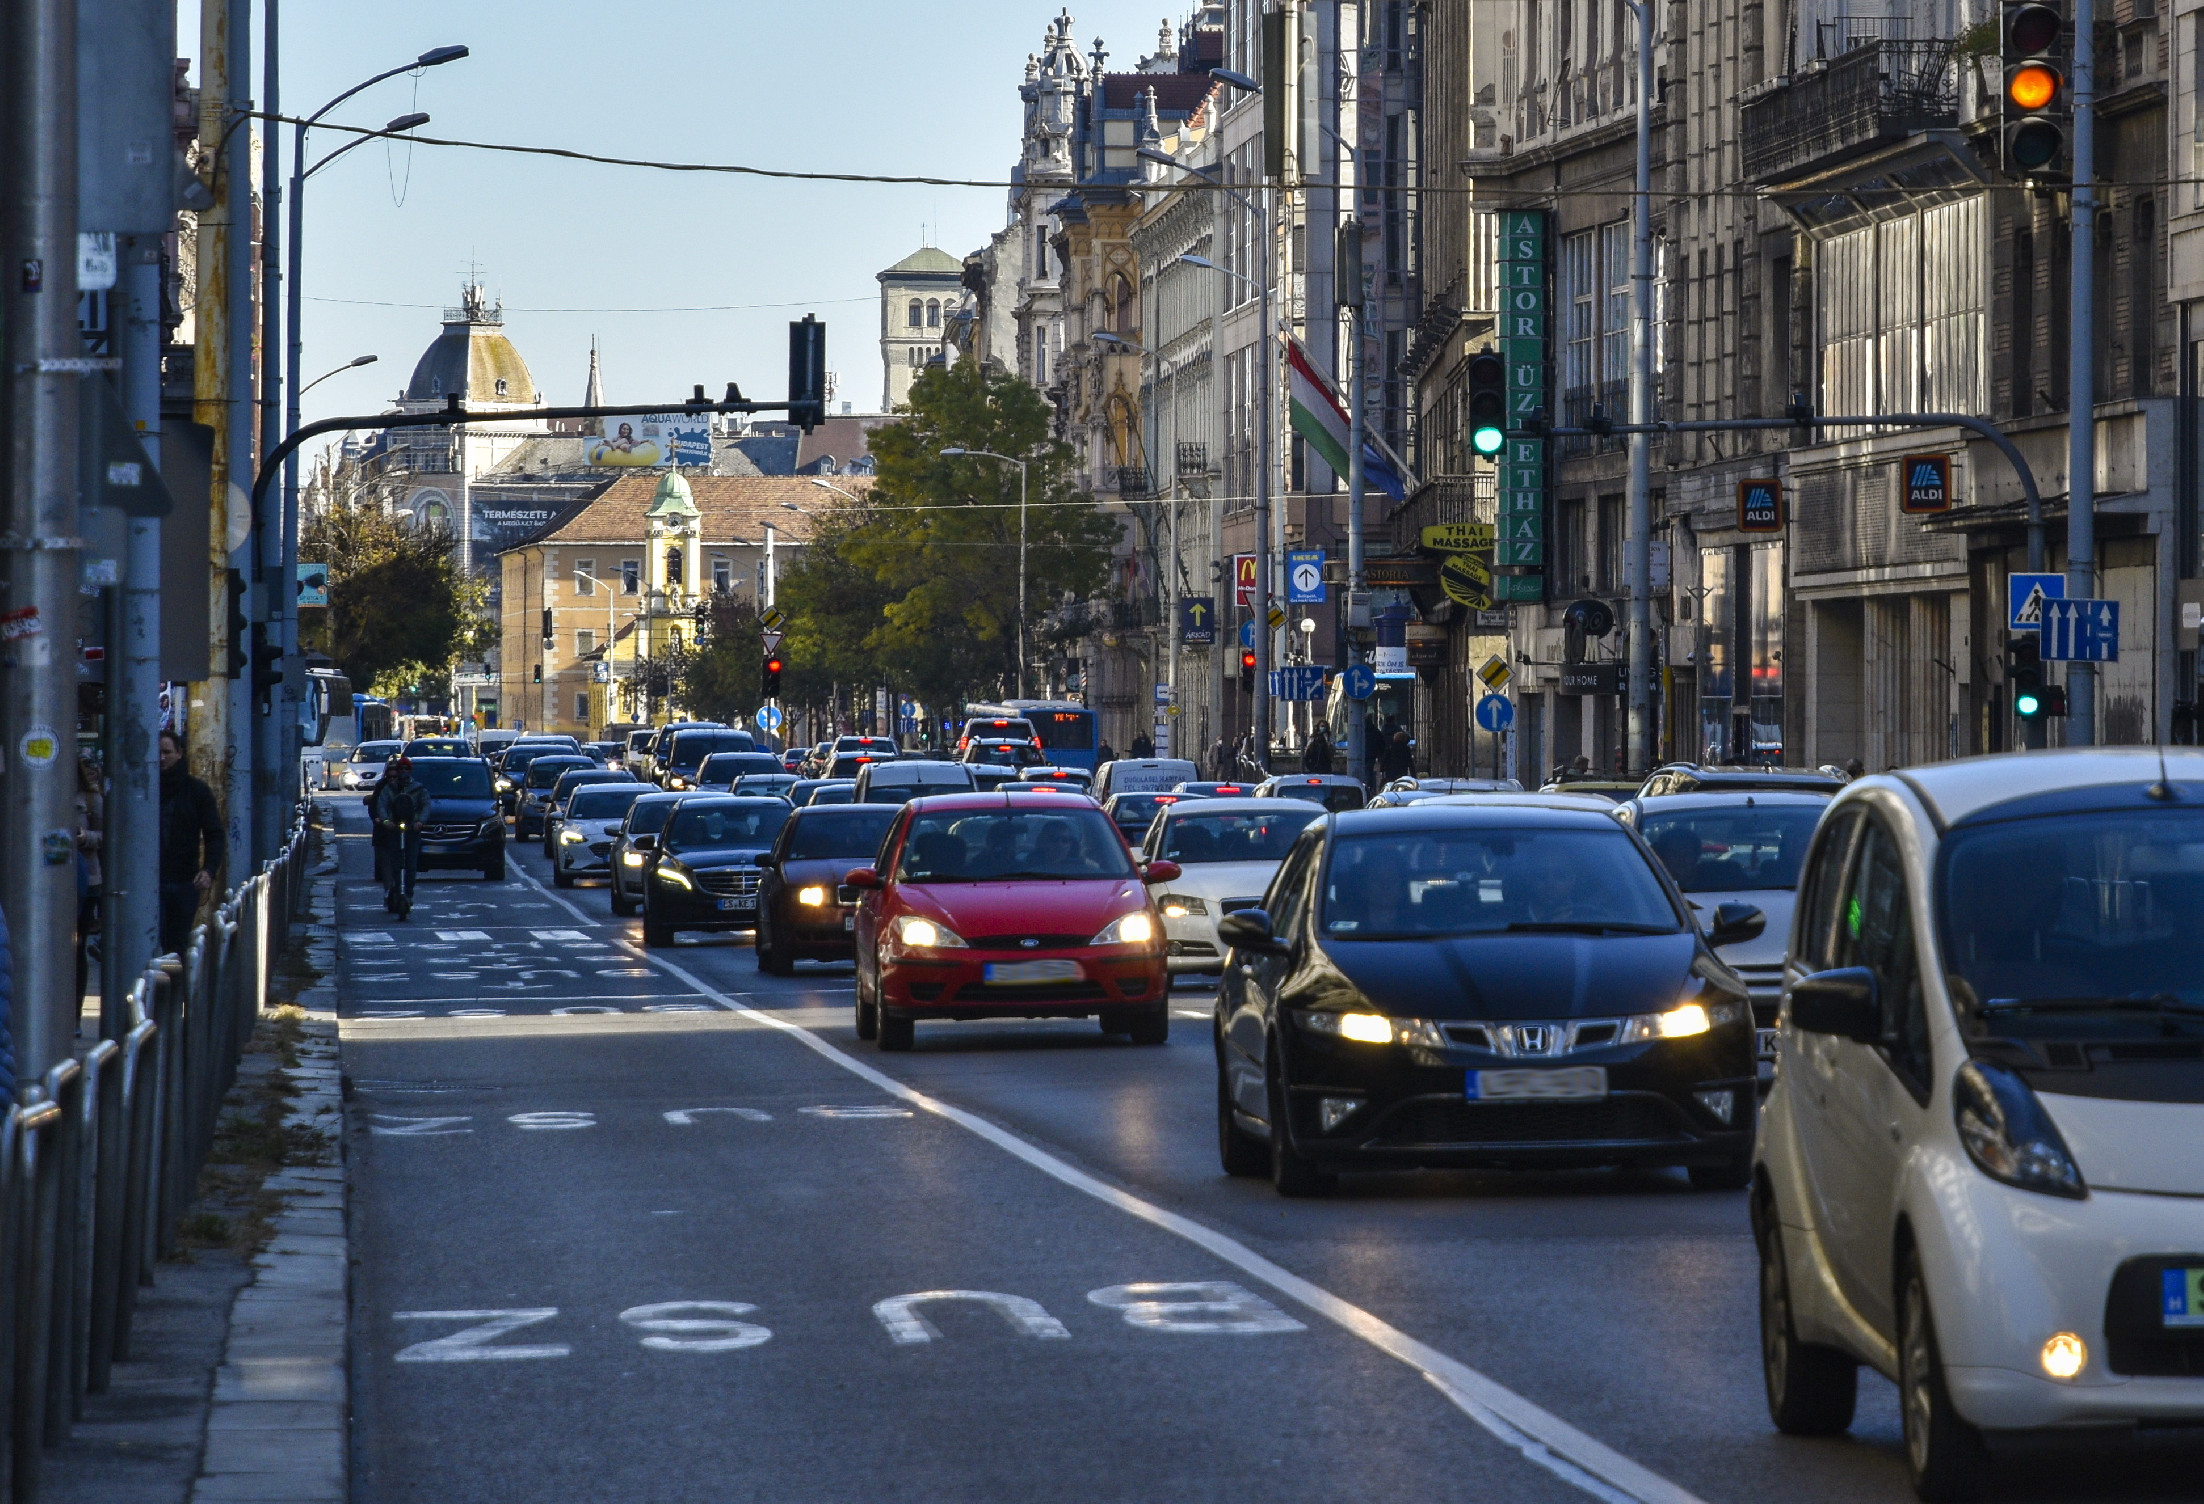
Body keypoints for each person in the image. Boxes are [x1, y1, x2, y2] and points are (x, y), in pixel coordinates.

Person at [158, 731, 225, 956]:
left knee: (176, 944)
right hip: (151, 881)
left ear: (179, 753)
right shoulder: (143, 789)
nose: (161, 758)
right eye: (157, 753)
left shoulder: (196, 791)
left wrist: (209, 869)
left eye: (166, 752)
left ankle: (174, 988)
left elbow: (214, 833)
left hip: (183, 880)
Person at [370, 756, 432, 916]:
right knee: (395, 865)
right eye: (401, 769)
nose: (403, 772)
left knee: (411, 865)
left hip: (412, 830)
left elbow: (425, 806)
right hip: (394, 830)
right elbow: (382, 805)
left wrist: (420, 822)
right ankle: (396, 892)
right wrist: (385, 821)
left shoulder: (419, 789)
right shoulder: (389, 789)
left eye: (406, 769)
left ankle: (408, 894)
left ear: (410, 771)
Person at [75, 756, 105, 1009]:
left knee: (77, 947)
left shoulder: (90, 799)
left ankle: (74, 1012)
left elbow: (106, 835)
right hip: (50, 881)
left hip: (86, 879)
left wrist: (86, 837)